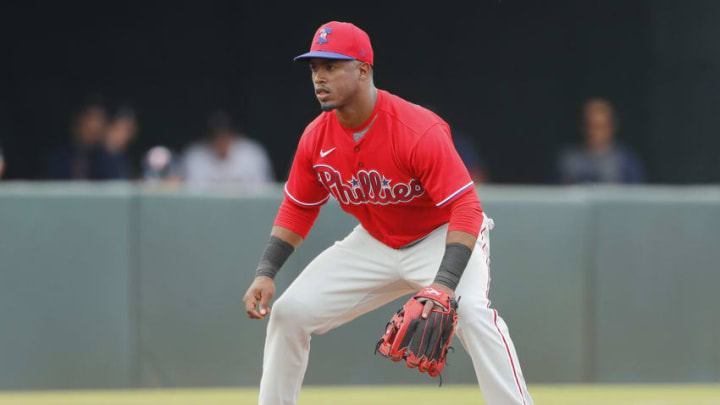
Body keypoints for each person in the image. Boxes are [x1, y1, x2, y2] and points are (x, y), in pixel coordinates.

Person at [242, 22, 533, 405]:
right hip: (374, 242)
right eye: (314, 68)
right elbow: (298, 207)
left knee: (475, 315)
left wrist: (443, 283)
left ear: (362, 70)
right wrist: (266, 271)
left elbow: (466, 208)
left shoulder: (416, 129)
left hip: (439, 237)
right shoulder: (316, 138)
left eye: (331, 66)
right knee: (288, 314)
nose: (319, 77)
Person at [554, 98, 645, 184]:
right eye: (590, 125)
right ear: (581, 126)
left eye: (599, 126)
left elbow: (636, 195)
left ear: (611, 127)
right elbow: (553, 194)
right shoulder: (568, 159)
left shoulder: (625, 160)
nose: (594, 132)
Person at [182, 111, 274, 187]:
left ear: (235, 133)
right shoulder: (195, 156)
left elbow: (263, 193)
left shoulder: (253, 154)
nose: (221, 139)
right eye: (216, 135)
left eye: (226, 133)